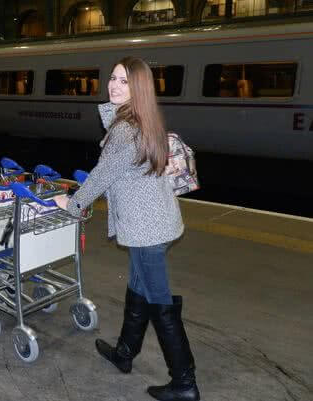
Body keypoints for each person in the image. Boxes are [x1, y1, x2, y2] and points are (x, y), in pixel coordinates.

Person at [53, 57, 200, 401]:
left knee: (160, 302)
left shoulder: (123, 130)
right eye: (114, 78)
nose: (114, 86)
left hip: (146, 229)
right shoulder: (144, 118)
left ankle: (185, 382)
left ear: (139, 88)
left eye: (124, 81)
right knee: (139, 286)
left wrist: (73, 204)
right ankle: (124, 353)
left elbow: (101, 177)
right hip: (158, 222)